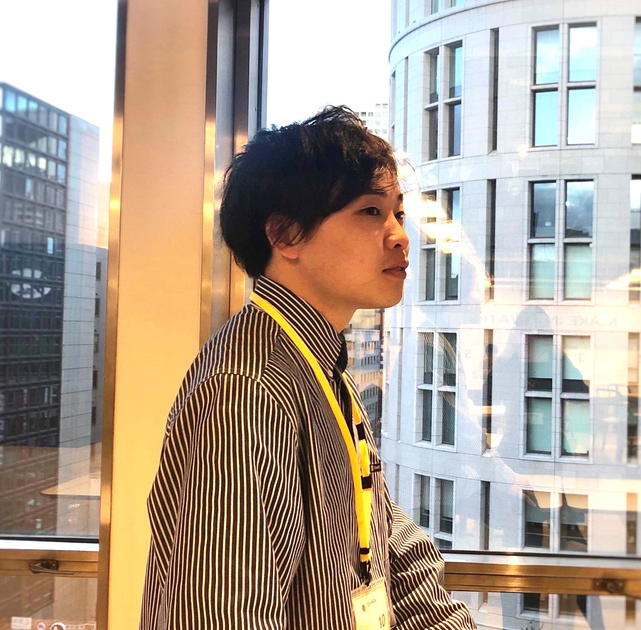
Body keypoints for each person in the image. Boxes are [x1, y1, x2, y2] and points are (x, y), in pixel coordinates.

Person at [139, 106, 476, 629]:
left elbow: (389, 546)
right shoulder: (248, 388)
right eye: (370, 212)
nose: (400, 236)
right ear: (286, 235)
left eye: (398, 213)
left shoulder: (319, 362)